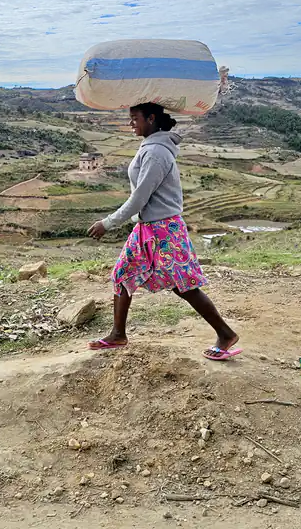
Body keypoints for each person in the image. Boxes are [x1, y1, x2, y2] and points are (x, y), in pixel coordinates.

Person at [86, 103, 240, 360]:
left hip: (165, 229)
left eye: (135, 118)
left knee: (183, 285)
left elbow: (139, 198)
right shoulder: (151, 146)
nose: (130, 123)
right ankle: (118, 334)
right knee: (122, 274)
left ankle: (225, 334)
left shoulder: (156, 152)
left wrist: (108, 222)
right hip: (147, 227)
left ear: (151, 118)